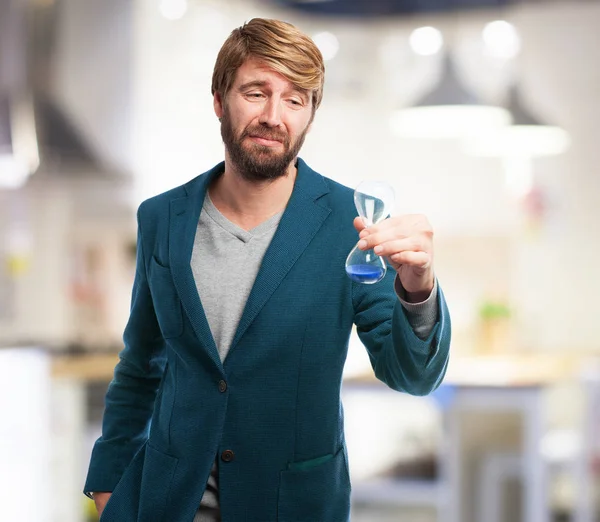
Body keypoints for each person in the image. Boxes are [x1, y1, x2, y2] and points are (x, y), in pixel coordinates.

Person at [84, 17, 451, 522]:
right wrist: (108, 482)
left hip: (290, 505)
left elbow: (411, 375)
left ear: (309, 114)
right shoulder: (161, 217)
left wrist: (419, 287)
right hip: (166, 502)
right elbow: (141, 364)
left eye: (295, 99)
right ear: (220, 100)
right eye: (256, 92)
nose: (273, 116)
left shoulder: (353, 224)